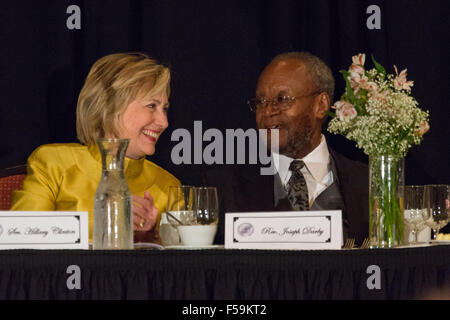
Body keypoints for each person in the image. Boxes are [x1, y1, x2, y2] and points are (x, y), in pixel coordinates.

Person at [11, 52, 181, 243]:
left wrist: (149, 238)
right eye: (152, 106)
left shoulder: (169, 187)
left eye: (164, 108)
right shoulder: (53, 163)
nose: (164, 122)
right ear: (110, 106)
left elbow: (181, 267)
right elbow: (21, 241)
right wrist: (109, 224)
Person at [203, 51, 368, 245]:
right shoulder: (223, 189)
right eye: (260, 102)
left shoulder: (368, 183)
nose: (268, 111)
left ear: (321, 105)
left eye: (282, 99)